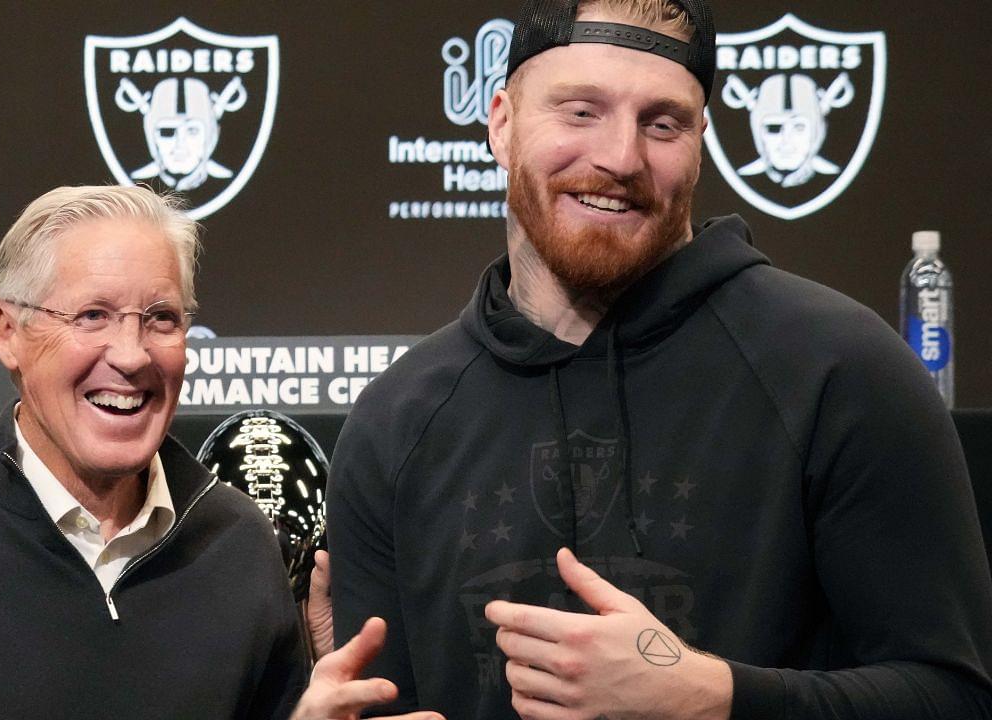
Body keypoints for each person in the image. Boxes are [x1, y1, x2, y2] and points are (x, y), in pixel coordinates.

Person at [325, 1, 992, 718]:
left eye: (662, 122)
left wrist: (714, 698)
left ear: (701, 142)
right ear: (501, 124)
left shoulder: (843, 372)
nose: (620, 157)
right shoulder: (396, 422)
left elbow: (954, 696)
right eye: (581, 111)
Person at [0, 185, 425, 720]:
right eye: (91, 316)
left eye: (161, 318)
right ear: (9, 333)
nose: (131, 355)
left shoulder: (238, 544)